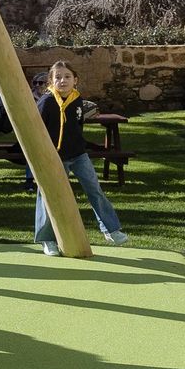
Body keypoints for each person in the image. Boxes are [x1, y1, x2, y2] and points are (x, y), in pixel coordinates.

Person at [35, 60, 128, 256]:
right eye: (58, 77)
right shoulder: (46, 102)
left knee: (94, 188)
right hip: (54, 157)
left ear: (75, 80)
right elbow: (36, 130)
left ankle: (111, 230)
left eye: (67, 77)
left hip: (78, 154)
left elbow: (76, 126)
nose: (63, 80)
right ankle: (47, 240)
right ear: (51, 81)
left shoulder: (77, 99)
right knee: (47, 196)